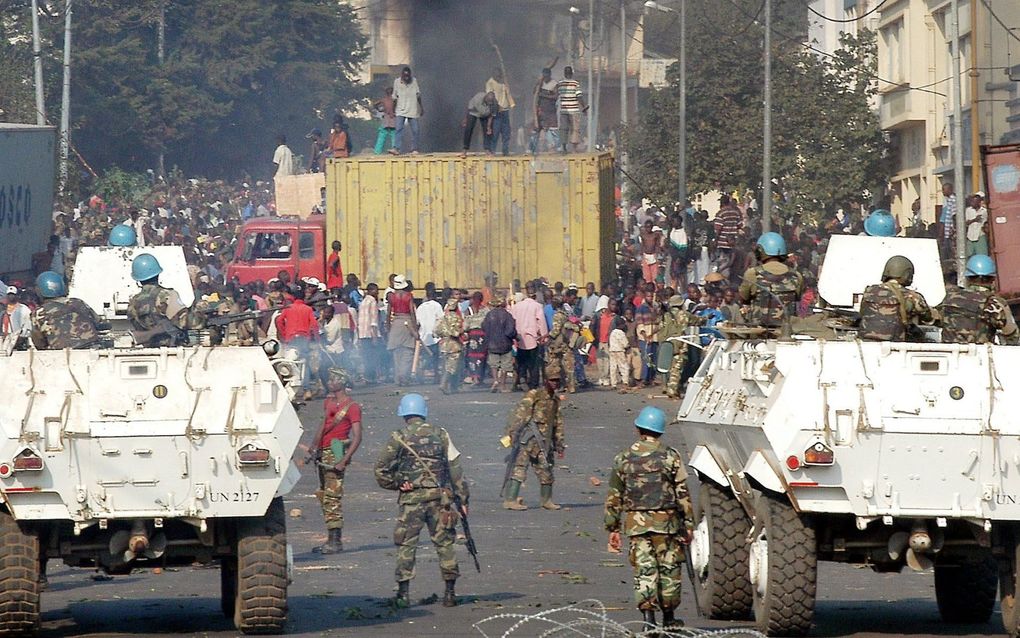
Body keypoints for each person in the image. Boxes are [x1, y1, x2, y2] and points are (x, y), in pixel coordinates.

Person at [374, 393, 469, 608]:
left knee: (406, 545)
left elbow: (380, 469)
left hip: (412, 500)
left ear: (404, 413)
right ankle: (450, 594)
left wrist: (397, 482)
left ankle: (403, 594)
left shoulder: (398, 437)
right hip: (439, 499)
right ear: (423, 412)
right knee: (445, 544)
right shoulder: (441, 434)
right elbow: (456, 469)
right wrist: (463, 500)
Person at [605, 406, 692, 633]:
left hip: (637, 526)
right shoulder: (671, 456)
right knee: (669, 571)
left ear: (638, 428)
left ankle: (648, 620)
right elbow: (683, 494)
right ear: (660, 432)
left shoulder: (623, 458)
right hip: (668, 525)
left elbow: (614, 495)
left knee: (644, 571)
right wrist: (688, 525)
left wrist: (612, 527)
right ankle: (670, 619)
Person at [309, 368, 362, 555]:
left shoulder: (352, 406)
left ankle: (335, 541)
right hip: (324, 451)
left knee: (333, 498)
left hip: (337, 451)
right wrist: (314, 447)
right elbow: (323, 425)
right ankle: (331, 539)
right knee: (324, 495)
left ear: (343, 382)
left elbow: (357, 437)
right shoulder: (328, 402)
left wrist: (344, 460)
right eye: (329, 379)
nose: (330, 382)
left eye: (334, 379)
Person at [502, 372, 565, 511]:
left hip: (544, 443)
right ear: (546, 380)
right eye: (552, 380)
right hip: (527, 440)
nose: (555, 383)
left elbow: (558, 423)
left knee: (546, 470)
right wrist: (511, 434)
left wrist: (559, 443)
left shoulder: (555, 401)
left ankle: (546, 500)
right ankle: (510, 500)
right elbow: (520, 414)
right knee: (519, 469)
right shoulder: (534, 395)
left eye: (557, 381)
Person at [941, 254, 1018, 345]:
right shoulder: (994, 303)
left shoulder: (950, 297)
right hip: (980, 356)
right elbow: (1012, 335)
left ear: (968, 278)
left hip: (948, 354)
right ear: (992, 279)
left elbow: (936, 319)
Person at [737, 232, 805, 329]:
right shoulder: (796, 275)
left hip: (759, 332)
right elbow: (797, 298)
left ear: (760, 251)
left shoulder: (752, 273)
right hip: (787, 332)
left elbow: (744, 298)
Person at [858, 255, 933, 341]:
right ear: (907, 274)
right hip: (895, 345)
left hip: (866, 342)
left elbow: (862, 312)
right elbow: (928, 317)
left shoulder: (869, 291)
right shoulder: (912, 296)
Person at [126, 253, 193, 345]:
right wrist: (200, 315)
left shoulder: (133, 302)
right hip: (172, 351)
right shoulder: (166, 295)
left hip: (148, 351)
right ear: (157, 274)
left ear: (138, 279)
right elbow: (183, 322)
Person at [30, 271, 105, 350]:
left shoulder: (38, 313)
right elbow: (98, 323)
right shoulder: (78, 303)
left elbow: (39, 343)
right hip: (92, 349)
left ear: (38, 290)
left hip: (62, 355)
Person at [657, 295, 702, 399]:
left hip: (667, 343)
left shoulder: (665, 315)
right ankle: (672, 390)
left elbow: (660, 329)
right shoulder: (684, 315)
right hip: (680, 344)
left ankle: (668, 386)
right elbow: (698, 321)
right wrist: (706, 318)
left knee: (668, 366)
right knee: (677, 368)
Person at [509, 282, 548, 390]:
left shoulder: (517, 306)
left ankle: (522, 378)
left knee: (521, 361)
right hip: (533, 338)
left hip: (519, 337)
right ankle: (533, 383)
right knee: (534, 362)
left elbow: (513, 320)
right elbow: (541, 322)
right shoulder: (537, 306)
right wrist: (544, 335)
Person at [481, 295, 517, 393]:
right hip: (505, 344)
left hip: (492, 343)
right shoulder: (507, 315)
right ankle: (503, 385)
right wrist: (515, 336)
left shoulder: (489, 315)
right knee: (505, 365)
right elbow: (510, 331)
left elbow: (484, 327)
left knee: (493, 364)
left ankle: (495, 380)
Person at [545, 296, 579, 393]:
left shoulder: (557, 315)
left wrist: (548, 338)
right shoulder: (566, 313)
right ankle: (571, 386)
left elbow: (556, 330)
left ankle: (562, 385)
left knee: (557, 365)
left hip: (558, 344)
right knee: (569, 366)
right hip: (567, 343)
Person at [433, 297, 466, 394]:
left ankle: (452, 387)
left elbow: (435, 331)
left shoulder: (443, 317)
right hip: (454, 345)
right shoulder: (456, 318)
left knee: (445, 366)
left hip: (444, 345)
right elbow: (455, 333)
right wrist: (462, 331)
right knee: (452, 367)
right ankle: (443, 384)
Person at [391, 66, 423, 155]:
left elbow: (418, 95)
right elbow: (394, 97)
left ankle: (414, 148)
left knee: (415, 130)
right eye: (404, 76)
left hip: (412, 109)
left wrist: (421, 108)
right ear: (401, 75)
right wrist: (393, 110)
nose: (406, 78)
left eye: (408, 76)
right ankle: (397, 148)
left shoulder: (414, 81)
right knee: (398, 129)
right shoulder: (397, 82)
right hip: (400, 110)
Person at [415, 287, 444, 383]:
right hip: (434, 336)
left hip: (424, 336)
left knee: (425, 357)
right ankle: (436, 375)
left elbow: (417, 323)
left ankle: (421, 374)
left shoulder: (420, 307)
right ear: (435, 295)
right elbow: (441, 320)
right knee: (435, 358)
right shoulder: (437, 306)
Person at [556, 66, 587, 153]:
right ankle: (574, 148)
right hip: (573, 110)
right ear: (572, 73)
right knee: (575, 129)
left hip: (563, 111)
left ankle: (564, 147)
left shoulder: (560, 83)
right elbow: (579, 96)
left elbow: (555, 95)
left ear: (564, 73)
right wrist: (584, 107)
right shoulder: (575, 83)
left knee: (564, 128)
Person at [485, 68, 515, 156]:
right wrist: (497, 106)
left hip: (505, 110)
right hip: (496, 111)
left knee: (506, 132)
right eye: (497, 75)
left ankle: (505, 151)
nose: (499, 77)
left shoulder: (503, 83)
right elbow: (490, 96)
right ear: (494, 74)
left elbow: (508, 94)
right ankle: (492, 151)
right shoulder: (490, 83)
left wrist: (511, 104)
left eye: (500, 75)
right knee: (495, 132)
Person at [713, 195, 744, 280]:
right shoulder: (736, 212)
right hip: (733, 242)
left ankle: (724, 281)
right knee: (732, 264)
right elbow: (740, 225)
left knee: (723, 264)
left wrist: (715, 241)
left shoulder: (721, 213)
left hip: (723, 243)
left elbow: (718, 229)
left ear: (722, 202)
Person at [530, 66, 560, 154]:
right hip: (541, 110)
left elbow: (555, 96)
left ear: (550, 75)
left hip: (551, 111)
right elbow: (534, 92)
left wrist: (544, 95)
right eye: (544, 76)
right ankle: (533, 148)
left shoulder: (554, 84)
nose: (545, 78)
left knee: (552, 130)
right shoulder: (540, 83)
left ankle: (553, 148)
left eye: (547, 76)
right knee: (537, 129)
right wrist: (537, 83)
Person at [357, 283, 382, 383]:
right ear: (371, 290)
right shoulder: (372, 301)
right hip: (370, 334)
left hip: (362, 334)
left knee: (366, 357)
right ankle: (372, 378)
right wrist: (375, 337)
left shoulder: (363, 301)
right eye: (376, 290)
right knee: (373, 357)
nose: (377, 293)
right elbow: (373, 321)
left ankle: (367, 377)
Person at [461, 91, 498, 156]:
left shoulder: (494, 103)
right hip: (474, 111)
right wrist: (466, 119)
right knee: (468, 129)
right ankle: (465, 150)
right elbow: (470, 109)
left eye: (491, 102)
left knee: (487, 131)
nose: (489, 103)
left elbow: (491, 116)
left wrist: (488, 127)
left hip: (485, 114)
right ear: (485, 98)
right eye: (488, 101)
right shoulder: (478, 98)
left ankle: (487, 149)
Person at [1, 286, 32, 351]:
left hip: (19, 341)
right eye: (9, 295)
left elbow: (28, 325)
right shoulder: (3, 309)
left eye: (13, 295)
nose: (11, 297)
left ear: (17, 296)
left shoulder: (24, 309)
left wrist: (21, 336)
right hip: (5, 340)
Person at [373, 87, 397, 155]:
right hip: (393, 118)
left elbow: (375, 104)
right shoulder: (394, 100)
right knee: (394, 134)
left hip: (386, 118)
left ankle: (377, 151)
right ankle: (394, 149)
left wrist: (380, 109)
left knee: (382, 134)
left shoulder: (384, 99)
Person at [965, 193, 989, 257]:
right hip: (970, 236)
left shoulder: (984, 211)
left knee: (982, 255)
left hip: (980, 235)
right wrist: (974, 220)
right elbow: (966, 222)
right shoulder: (968, 210)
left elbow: (986, 222)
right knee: (969, 255)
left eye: (974, 202)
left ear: (978, 202)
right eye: (971, 201)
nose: (972, 203)